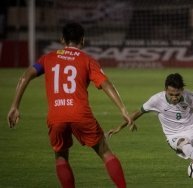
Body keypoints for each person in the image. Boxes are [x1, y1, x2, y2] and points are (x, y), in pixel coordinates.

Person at [7, 22, 133, 188]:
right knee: (105, 152)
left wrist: (15, 105)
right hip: (80, 114)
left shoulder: (48, 58)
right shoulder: (88, 60)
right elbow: (106, 84)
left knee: (60, 156)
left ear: (62, 39)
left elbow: (25, 76)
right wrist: (123, 109)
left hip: (56, 115)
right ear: (82, 40)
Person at [107, 73, 193, 177]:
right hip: (174, 134)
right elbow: (138, 112)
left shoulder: (190, 97)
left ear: (182, 90)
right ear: (165, 89)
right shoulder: (157, 100)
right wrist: (120, 126)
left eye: (177, 95)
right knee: (184, 145)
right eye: (171, 94)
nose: (174, 98)